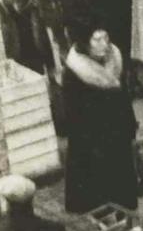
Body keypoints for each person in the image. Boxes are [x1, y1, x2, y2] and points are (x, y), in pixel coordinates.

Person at [58, 25, 137, 212]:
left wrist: (129, 124)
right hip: (91, 137)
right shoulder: (75, 70)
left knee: (121, 179)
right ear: (85, 42)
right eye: (97, 39)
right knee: (98, 185)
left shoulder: (115, 58)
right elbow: (72, 113)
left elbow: (123, 95)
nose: (104, 44)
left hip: (116, 131)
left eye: (106, 38)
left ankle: (124, 215)